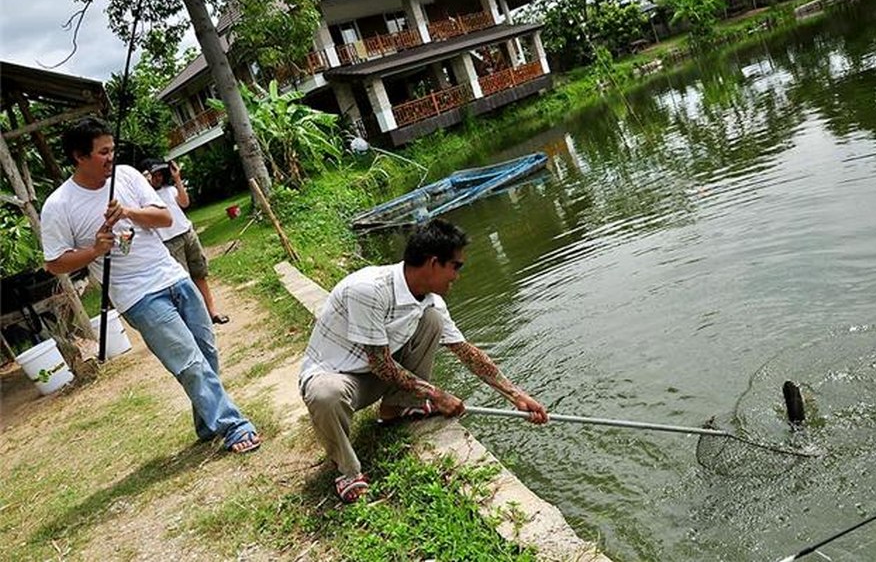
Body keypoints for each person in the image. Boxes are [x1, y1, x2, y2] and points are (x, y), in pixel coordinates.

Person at [40, 117, 259, 454]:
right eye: (102, 153)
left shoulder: (126, 176)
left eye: (112, 149)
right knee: (188, 361)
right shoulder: (59, 205)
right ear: (79, 156)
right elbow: (54, 262)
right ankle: (233, 426)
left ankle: (206, 423)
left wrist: (128, 211)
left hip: (172, 275)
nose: (111, 157)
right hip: (137, 296)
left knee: (205, 353)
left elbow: (165, 218)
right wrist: (95, 250)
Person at [300, 219, 548, 503]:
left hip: (376, 373)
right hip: (340, 377)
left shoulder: (432, 301)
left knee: (431, 321)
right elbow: (380, 363)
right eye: (455, 266)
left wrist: (517, 396)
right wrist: (438, 396)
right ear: (433, 263)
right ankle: (347, 470)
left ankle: (397, 408)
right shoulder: (368, 290)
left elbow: (466, 352)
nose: (457, 276)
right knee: (325, 395)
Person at [143, 157, 228, 324]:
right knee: (185, 283)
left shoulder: (170, 189)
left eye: (161, 174)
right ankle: (199, 318)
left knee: (200, 274)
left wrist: (177, 178)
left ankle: (212, 312)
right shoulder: (144, 199)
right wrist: (144, 183)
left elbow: (185, 202)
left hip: (188, 234)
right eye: (154, 175)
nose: (158, 178)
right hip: (169, 243)